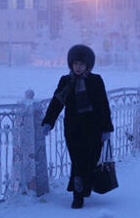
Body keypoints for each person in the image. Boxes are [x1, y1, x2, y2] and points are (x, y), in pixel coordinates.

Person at [42, 44, 114, 209]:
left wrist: (106, 129)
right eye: (75, 64)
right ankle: (78, 194)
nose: (78, 67)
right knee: (77, 161)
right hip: (73, 129)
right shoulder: (66, 81)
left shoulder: (95, 81)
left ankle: (85, 185)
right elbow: (56, 103)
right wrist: (48, 122)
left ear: (88, 65)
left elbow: (103, 105)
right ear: (70, 64)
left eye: (81, 64)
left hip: (93, 129)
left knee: (91, 160)